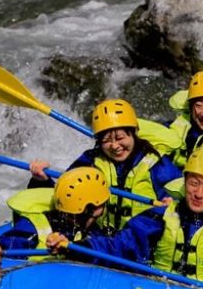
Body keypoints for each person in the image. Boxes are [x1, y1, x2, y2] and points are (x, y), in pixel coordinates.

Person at [47, 147, 203, 289]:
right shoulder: (160, 217)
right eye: (193, 183)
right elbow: (120, 246)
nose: (198, 193)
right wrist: (76, 248)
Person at [29, 99, 182, 233]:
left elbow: (184, 202)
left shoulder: (157, 165)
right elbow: (66, 197)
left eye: (120, 138)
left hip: (140, 241)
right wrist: (41, 180)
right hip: (99, 238)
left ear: (134, 133)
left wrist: (172, 206)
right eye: (107, 140)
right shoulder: (90, 161)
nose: (114, 146)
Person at [0, 167, 110, 253]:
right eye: (68, 215)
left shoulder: (94, 228)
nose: (68, 217)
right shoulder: (33, 226)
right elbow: (9, 245)